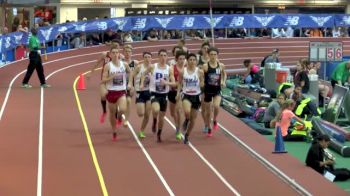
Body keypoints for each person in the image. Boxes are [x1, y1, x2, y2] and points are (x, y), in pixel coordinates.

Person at [142, 49, 175, 142]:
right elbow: (143, 74)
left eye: (165, 55)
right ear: (158, 57)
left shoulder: (169, 68)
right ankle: (154, 119)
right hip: (154, 93)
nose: (163, 57)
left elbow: (173, 83)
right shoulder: (153, 67)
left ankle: (159, 133)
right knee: (155, 109)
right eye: (161, 55)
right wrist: (142, 83)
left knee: (162, 118)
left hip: (164, 95)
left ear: (167, 57)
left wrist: (166, 82)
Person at [101, 46, 131, 141]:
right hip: (111, 92)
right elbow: (103, 79)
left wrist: (130, 83)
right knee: (112, 113)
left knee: (122, 109)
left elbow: (130, 73)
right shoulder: (108, 66)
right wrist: (111, 77)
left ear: (119, 54)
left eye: (116, 52)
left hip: (121, 91)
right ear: (110, 54)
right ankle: (114, 131)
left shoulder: (124, 64)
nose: (115, 54)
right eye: (113, 52)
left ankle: (120, 118)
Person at [87, 43, 122, 123]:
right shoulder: (104, 55)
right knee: (103, 96)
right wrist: (90, 72)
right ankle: (104, 112)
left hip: (114, 80)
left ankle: (117, 116)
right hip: (105, 79)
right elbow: (97, 63)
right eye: (115, 48)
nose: (116, 50)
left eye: (118, 49)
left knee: (115, 99)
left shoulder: (120, 56)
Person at [177, 53, 204, 144]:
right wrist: (178, 93)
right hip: (186, 94)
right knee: (187, 112)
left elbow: (202, 82)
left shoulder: (199, 71)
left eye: (194, 60)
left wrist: (202, 84)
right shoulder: (182, 71)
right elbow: (179, 83)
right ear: (187, 61)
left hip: (196, 96)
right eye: (190, 60)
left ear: (196, 61)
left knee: (193, 120)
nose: (192, 61)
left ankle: (187, 135)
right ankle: (186, 119)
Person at [202, 47, 227, 136]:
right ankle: (209, 128)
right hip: (208, 91)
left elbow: (224, 74)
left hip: (217, 90)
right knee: (208, 112)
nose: (213, 56)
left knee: (216, 106)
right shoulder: (205, 66)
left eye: (215, 54)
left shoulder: (221, 65)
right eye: (211, 54)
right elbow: (201, 77)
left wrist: (223, 81)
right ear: (208, 55)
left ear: (217, 55)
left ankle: (215, 119)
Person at [131, 52, 153, 138]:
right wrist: (131, 85)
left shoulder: (153, 68)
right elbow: (132, 75)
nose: (147, 58)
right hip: (140, 92)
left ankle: (141, 131)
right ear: (143, 58)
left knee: (147, 114)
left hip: (150, 92)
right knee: (140, 113)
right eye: (145, 57)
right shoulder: (139, 67)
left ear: (151, 58)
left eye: (149, 57)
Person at [168, 50, 187, 140]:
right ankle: (177, 124)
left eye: (183, 59)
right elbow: (174, 83)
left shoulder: (187, 69)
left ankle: (178, 130)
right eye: (180, 59)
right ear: (176, 59)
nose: (182, 60)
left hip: (182, 92)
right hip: (172, 92)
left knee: (179, 111)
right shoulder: (172, 68)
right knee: (172, 113)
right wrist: (172, 83)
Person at [122, 44, 139, 126]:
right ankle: (119, 114)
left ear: (131, 53)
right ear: (123, 52)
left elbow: (140, 74)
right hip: (119, 86)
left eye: (129, 51)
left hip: (130, 86)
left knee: (128, 101)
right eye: (126, 51)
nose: (127, 53)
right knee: (120, 105)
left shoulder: (135, 63)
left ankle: (126, 120)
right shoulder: (120, 62)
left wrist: (134, 86)